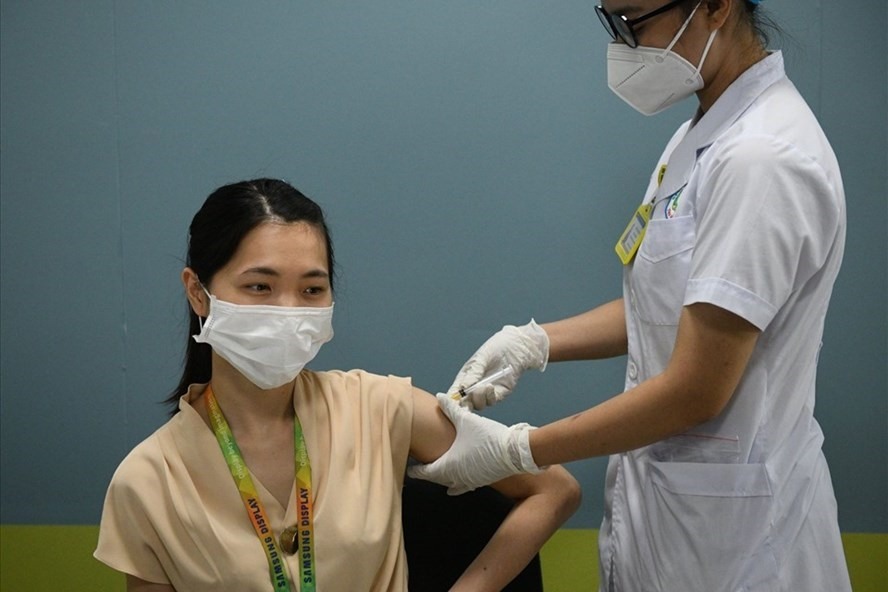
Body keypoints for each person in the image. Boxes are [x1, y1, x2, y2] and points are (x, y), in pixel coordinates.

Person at [408, 1, 852, 590]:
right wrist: (534, 342)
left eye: (632, 19)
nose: (622, 44)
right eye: (610, 20)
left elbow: (698, 387)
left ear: (716, 7)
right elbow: (676, 309)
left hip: (736, 542)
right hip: (673, 512)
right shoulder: (698, 137)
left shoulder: (761, 159)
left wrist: (522, 450)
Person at [94, 178, 581, 592]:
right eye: (260, 286)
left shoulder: (381, 407)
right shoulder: (149, 481)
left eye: (312, 289)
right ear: (198, 292)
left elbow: (554, 489)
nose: (290, 311)